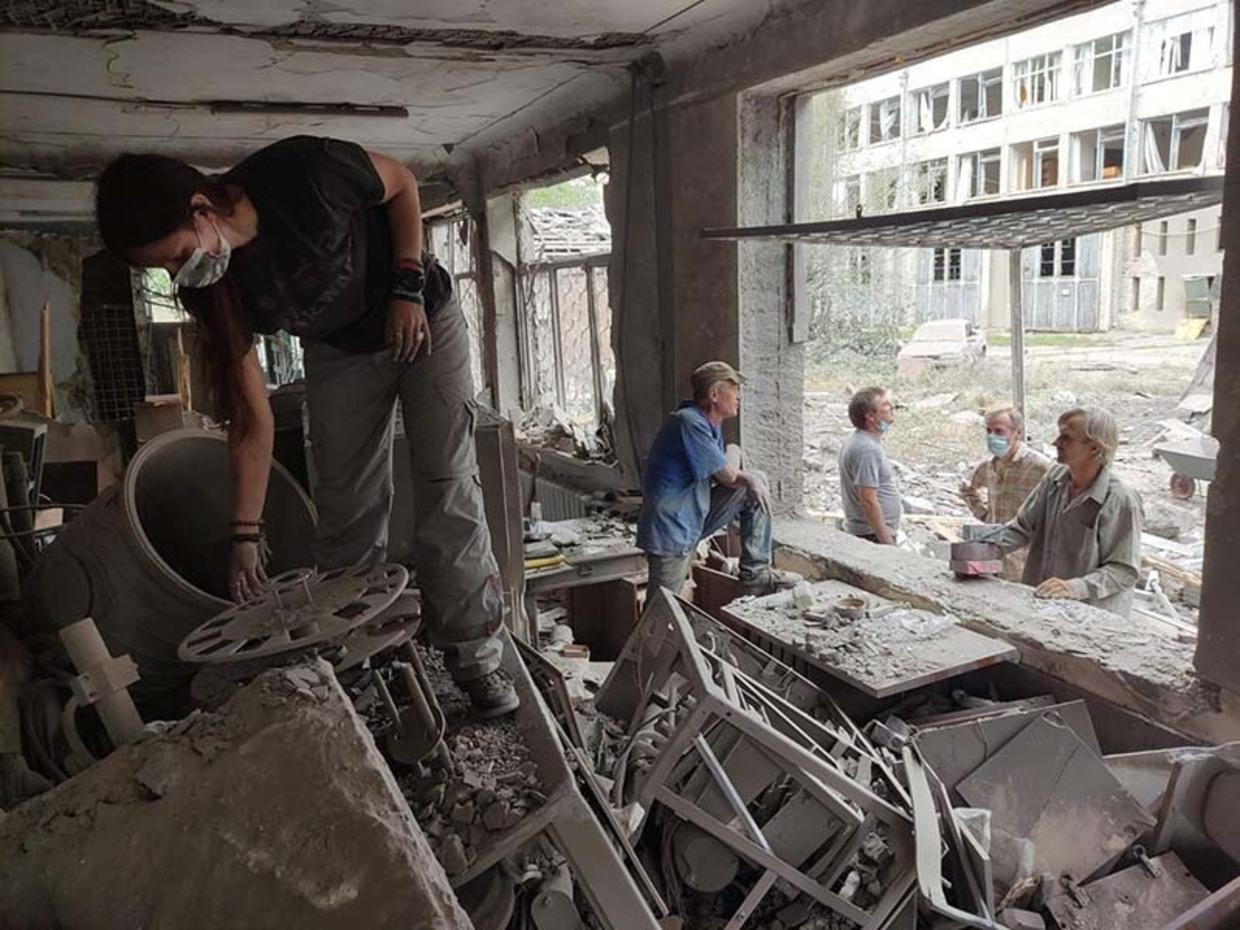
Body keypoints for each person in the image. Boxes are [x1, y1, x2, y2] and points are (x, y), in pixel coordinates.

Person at [95, 136, 517, 716]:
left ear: (201, 207)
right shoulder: (213, 288)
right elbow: (250, 417)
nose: (178, 275)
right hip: (340, 350)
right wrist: (244, 533)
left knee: (447, 487)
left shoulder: (302, 173)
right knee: (346, 510)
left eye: (175, 256)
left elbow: (401, 184)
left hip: (423, 316)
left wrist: (406, 284)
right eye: (163, 269)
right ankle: (360, 664)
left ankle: (476, 661)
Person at [637, 362, 798, 598]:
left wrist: (734, 453)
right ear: (714, 394)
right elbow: (728, 475)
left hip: (693, 518)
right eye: (734, 390)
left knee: (755, 481)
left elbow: (727, 478)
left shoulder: (709, 424)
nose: (739, 397)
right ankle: (650, 636)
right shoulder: (688, 421)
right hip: (671, 528)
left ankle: (756, 573)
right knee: (661, 611)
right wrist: (735, 452)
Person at [996, 407, 1143, 617]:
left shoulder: (1120, 500)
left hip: (1092, 617)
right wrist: (985, 548)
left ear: (1094, 447)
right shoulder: (1055, 479)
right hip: (1045, 608)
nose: (1056, 442)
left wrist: (1075, 588)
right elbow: (1022, 528)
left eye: (1067, 438)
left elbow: (1124, 570)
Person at [959, 405, 1052, 580]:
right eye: (988, 431)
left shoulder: (1040, 467)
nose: (992, 437)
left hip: (1025, 563)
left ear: (1018, 433)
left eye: (999, 431)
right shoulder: (989, 466)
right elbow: (968, 489)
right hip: (994, 561)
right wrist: (984, 516)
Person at [838, 387, 901, 544]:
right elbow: (868, 500)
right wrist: (886, 541)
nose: (891, 407)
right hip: (871, 536)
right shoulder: (867, 449)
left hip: (870, 534)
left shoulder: (861, 440)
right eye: (885, 405)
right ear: (871, 416)